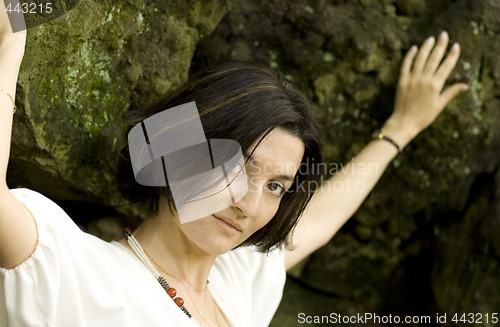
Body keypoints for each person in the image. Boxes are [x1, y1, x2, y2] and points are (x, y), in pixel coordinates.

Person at [0, 4, 468, 327]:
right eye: (238, 167)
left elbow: (319, 220)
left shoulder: (239, 283)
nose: (247, 203)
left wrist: (402, 128)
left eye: (276, 187)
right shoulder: (76, 270)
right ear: (175, 146)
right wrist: (10, 41)